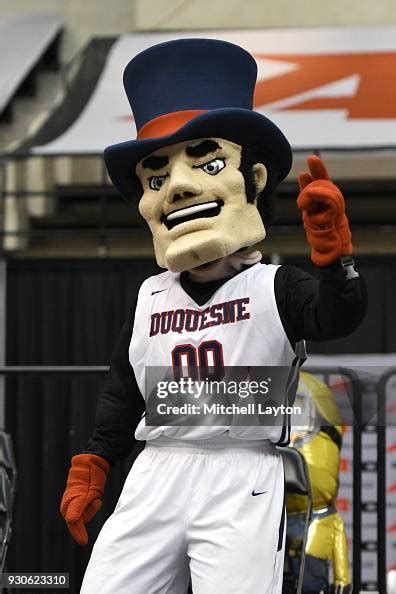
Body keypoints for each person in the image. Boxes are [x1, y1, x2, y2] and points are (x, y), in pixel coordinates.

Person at [60, 38, 367, 594]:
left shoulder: (276, 285)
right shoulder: (152, 295)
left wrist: (334, 258)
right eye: (157, 178)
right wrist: (96, 460)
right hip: (158, 467)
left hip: (241, 470)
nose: (177, 187)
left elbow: (337, 315)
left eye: (206, 162)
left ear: (250, 182)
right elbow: (124, 391)